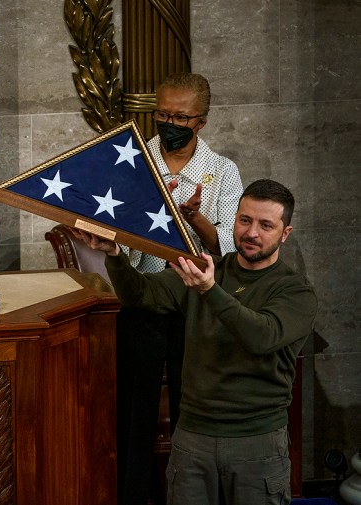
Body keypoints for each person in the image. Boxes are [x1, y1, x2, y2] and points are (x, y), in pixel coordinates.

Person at [69, 179, 316, 505]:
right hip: (193, 436)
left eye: (266, 225)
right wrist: (114, 254)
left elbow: (261, 337)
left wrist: (209, 291)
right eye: (245, 220)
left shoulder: (296, 290)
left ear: (285, 233)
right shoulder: (208, 270)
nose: (251, 233)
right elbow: (139, 294)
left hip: (256, 441)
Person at [116, 72, 244, 505]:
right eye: (162, 113)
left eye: (180, 117)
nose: (169, 122)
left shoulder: (223, 172)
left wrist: (198, 222)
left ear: (201, 122)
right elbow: (116, 229)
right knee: (135, 413)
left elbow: (234, 243)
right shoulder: (134, 162)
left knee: (194, 412)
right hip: (144, 301)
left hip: (197, 307)